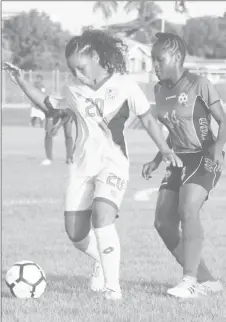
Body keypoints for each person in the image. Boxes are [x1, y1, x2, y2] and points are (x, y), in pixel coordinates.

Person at [3, 28, 182, 301]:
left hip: (113, 164)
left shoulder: (124, 84)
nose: (78, 74)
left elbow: (147, 118)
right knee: (75, 234)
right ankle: (101, 259)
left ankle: (113, 287)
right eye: (73, 70)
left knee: (102, 216)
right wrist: (21, 81)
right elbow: (51, 106)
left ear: (96, 57)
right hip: (82, 168)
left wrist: (165, 150)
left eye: (81, 67)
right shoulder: (73, 89)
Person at [142, 32, 226, 299]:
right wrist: (157, 158)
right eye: (152, 60)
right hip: (178, 158)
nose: (153, 65)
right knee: (163, 223)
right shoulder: (158, 90)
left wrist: (217, 150)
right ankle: (207, 280)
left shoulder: (198, 83)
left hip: (204, 156)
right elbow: (173, 129)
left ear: (176, 57)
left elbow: (223, 120)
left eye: (159, 59)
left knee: (187, 208)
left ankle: (189, 280)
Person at [29, 74, 74, 165]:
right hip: (55, 113)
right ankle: (49, 158)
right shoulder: (50, 106)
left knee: (68, 133)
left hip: (67, 115)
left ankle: (69, 158)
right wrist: (51, 128)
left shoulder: (69, 105)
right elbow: (49, 118)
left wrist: (57, 127)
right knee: (48, 133)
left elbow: (67, 117)